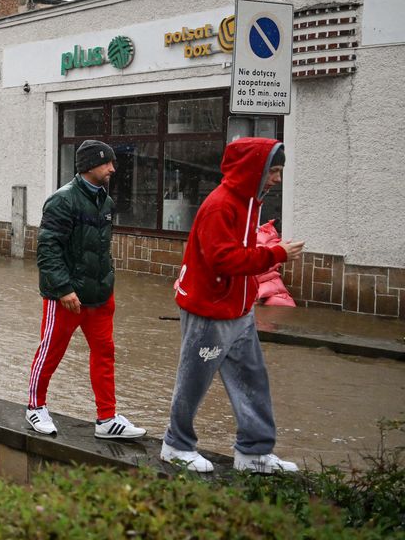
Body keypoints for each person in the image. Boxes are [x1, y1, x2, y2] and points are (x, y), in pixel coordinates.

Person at [160, 138, 304, 475]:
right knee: (193, 381)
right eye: (275, 171)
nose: (277, 179)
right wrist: (276, 254)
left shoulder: (249, 203)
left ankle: (253, 454)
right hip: (209, 312)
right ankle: (176, 446)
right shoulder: (221, 205)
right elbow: (222, 259)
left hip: (239, 311)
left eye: (280, 172)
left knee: (253, 379)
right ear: (255, 171)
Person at [25, 140, 146, 440]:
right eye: (107, 164)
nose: (112, 169)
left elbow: (100, 249)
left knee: (105, 354)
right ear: (90, 166)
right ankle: (35, 407)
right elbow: (48, 249)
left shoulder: (106, 202)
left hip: (101, 296)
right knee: (51, 352)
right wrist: (64, 289)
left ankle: (107, 418)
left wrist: (108, 284)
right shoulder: (62, 200)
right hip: (67, 297)